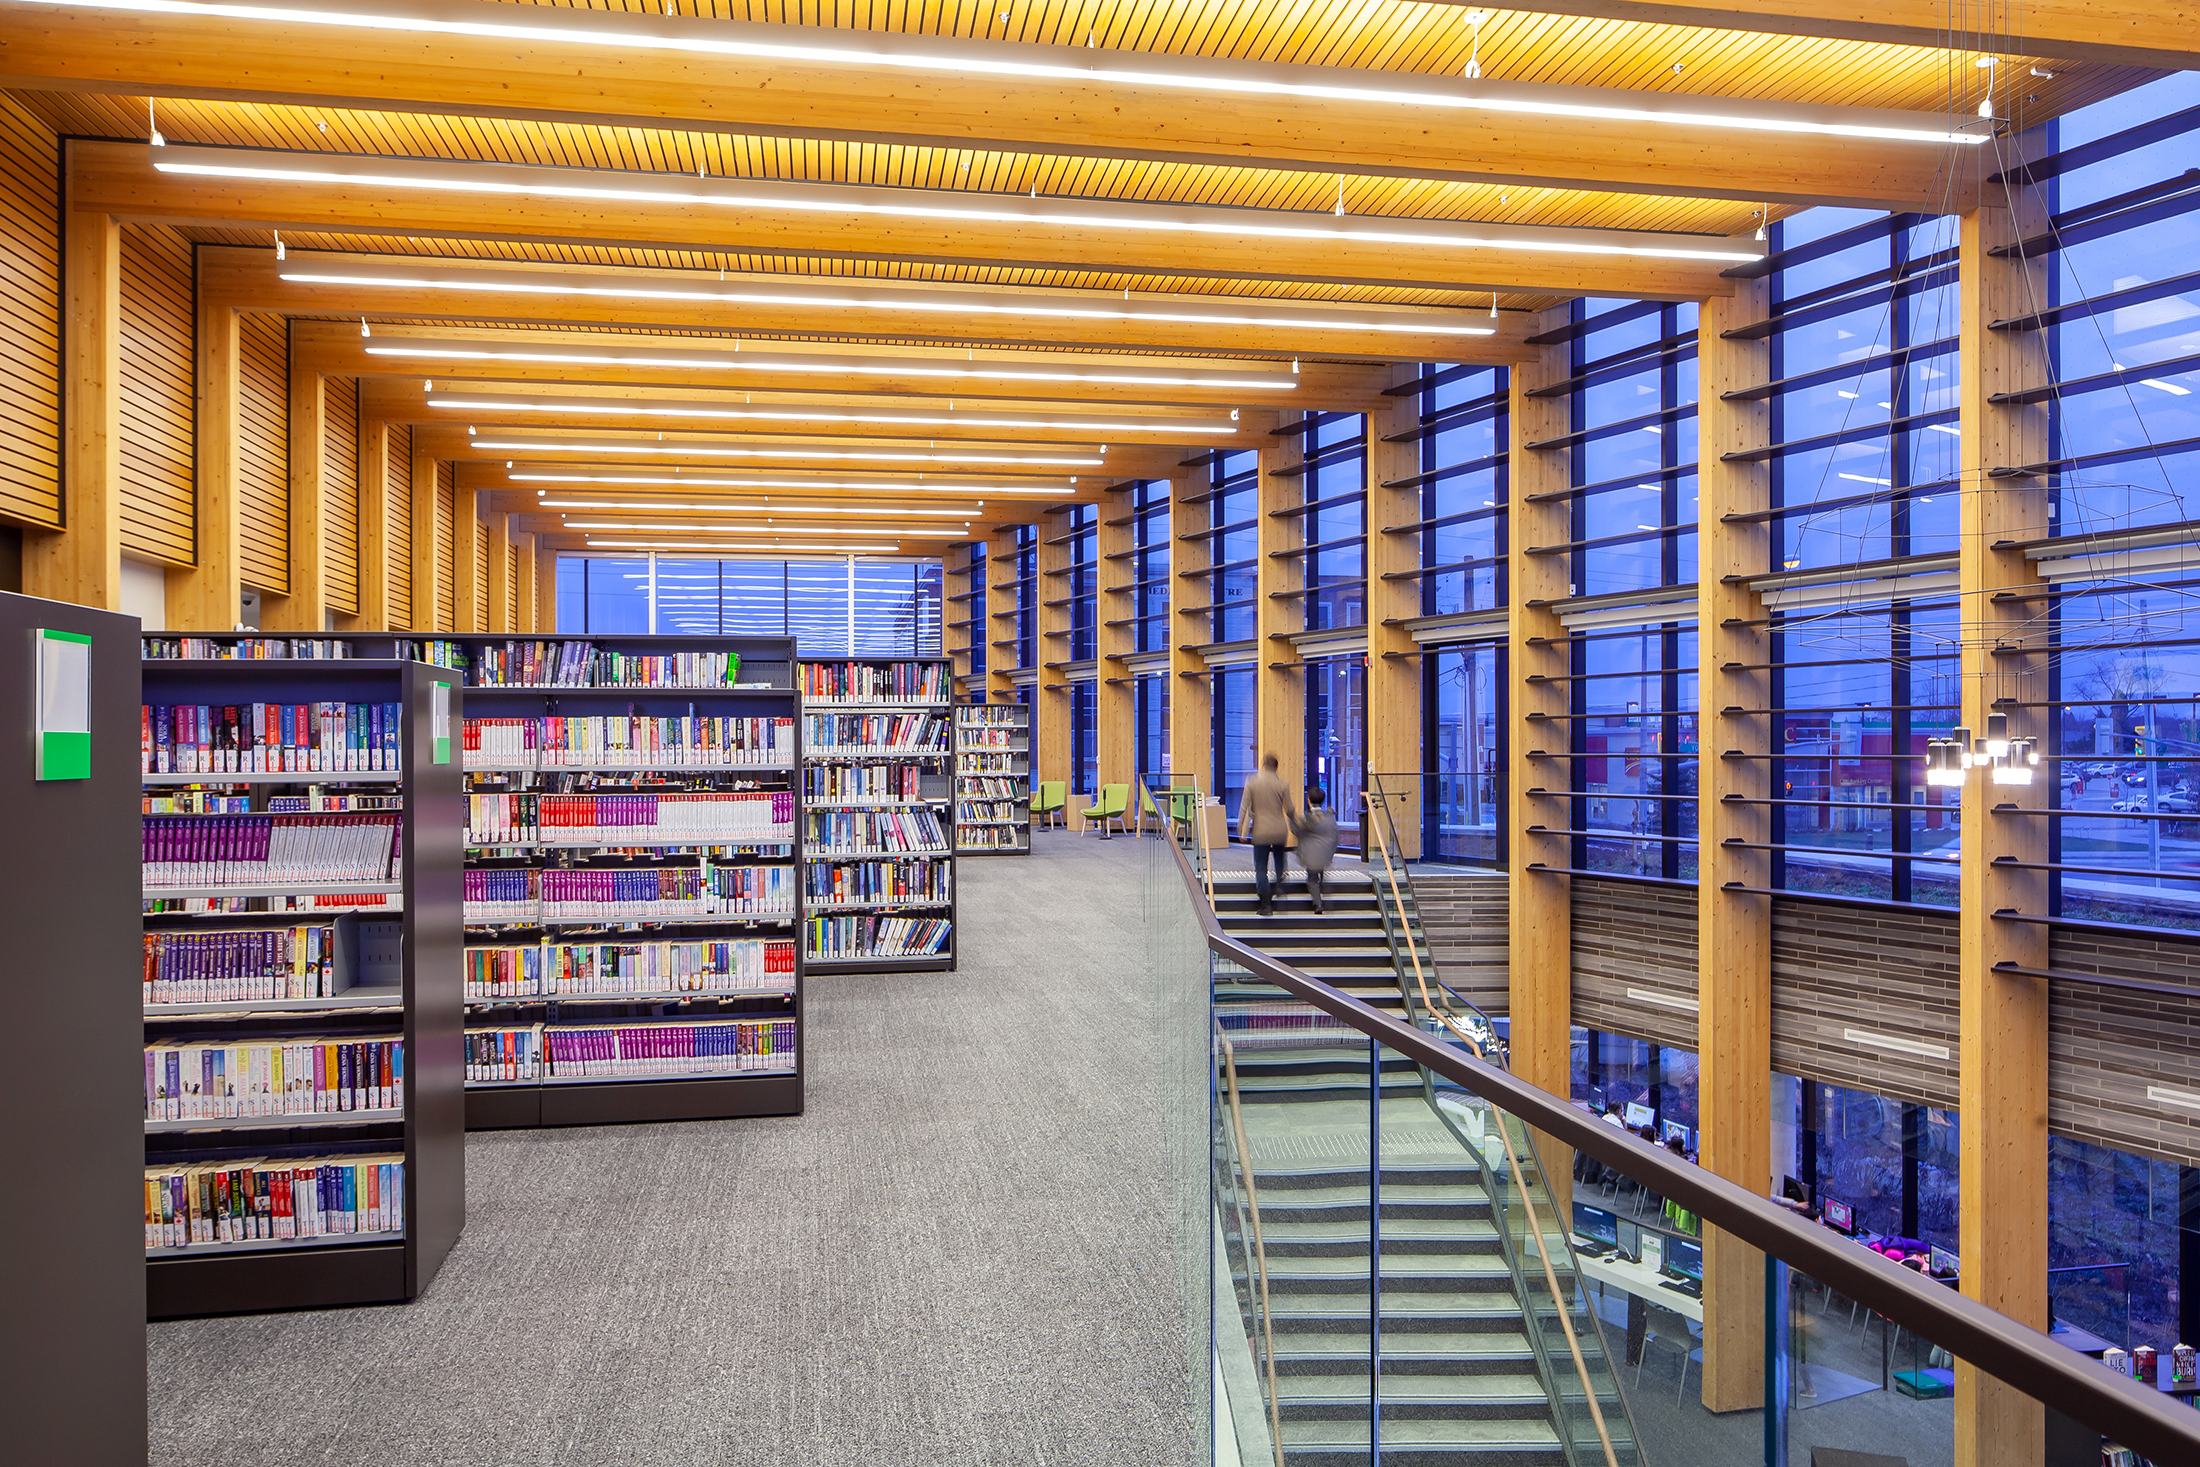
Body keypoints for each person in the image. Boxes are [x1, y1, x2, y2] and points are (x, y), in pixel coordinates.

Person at [1238, 752, 1295, 917]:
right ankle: (1279, 886)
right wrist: (1296, 825)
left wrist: (1242, 828)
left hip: (1261, 831)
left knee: (1261, 868)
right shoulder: (1283, 785)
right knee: (1279, 859)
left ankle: (1266, 905)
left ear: (1263, 765)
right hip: (1279, 829)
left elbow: (1244, 808)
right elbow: (1290, 810)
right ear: (1277, 767)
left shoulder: (1252, 783)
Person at [1292, 785, 1340, 914]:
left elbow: (1297, 832)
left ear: (1308, 800)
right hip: (1325, 853)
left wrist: (1292, 818)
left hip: (1311, 854)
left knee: (1312, 879)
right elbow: (1335, 836)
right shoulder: (1330, 818)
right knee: (1319, 870)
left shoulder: (1307, 818)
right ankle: (1322, 886)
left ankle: (1318, 903)